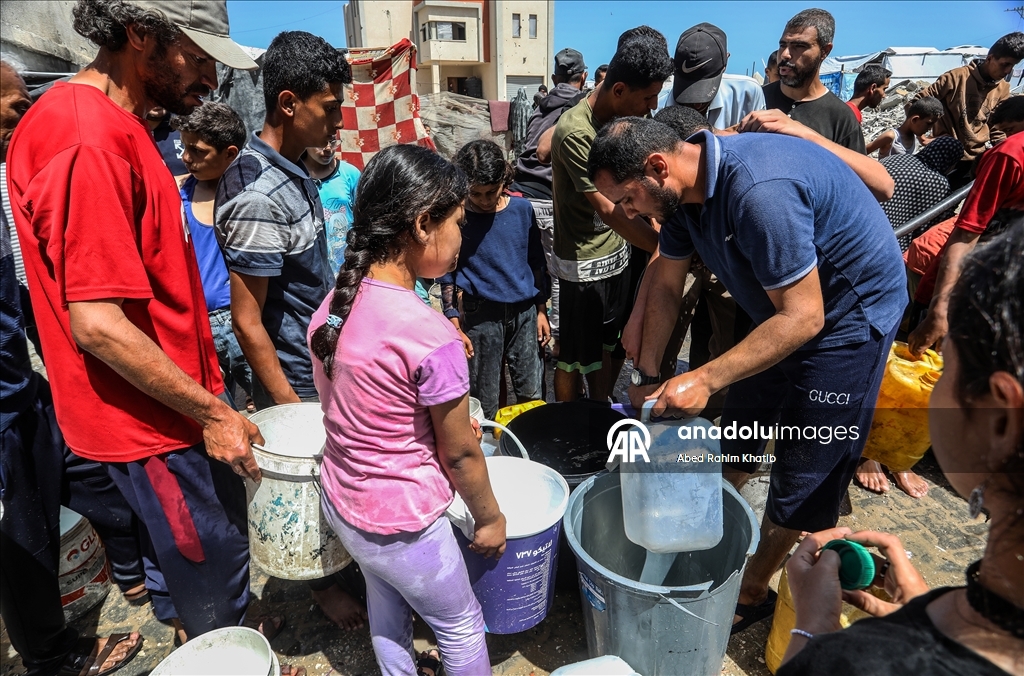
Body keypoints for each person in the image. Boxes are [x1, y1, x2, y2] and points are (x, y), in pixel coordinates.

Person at [6, 0, 269, 643]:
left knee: (180, 556)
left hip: (164, 406)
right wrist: (213, 413)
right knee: (214, 558)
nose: (210, 78)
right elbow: (95, 323)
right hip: (153, 422)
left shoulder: (116, 124)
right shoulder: (85, 140)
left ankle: (191, 626)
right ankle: (225, 649)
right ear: (139, 34)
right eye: (196, 56)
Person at [589, 116, 906, 635]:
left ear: (657, 167)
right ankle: (714, 529)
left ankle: (753, 588)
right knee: (744, 424)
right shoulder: (676, 196)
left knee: (805, 466)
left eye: (627, 200)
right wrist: (648, 373)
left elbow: (806, 317)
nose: (626, 213)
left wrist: (705, 379)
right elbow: (667, 286)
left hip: (848, 318)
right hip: (778, 311)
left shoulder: (759, 192)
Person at [778, 218, 1024, 676]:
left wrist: (813, 633)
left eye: (945, 365)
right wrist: (928, 613)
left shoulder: (858, 665)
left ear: (1000, 419)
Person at [307, 144, 506, 676]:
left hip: (345, 504)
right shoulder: (429, 334)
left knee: (386, 602)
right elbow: (462, 454)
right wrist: (490, 520)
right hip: (405, 526)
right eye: (459, 223)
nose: (463, 237)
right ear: (423, 224)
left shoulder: (333, 307)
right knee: (461, 624)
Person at [214, 30, 366, 630]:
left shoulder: (292, 170)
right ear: (287, 103)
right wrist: (288, 406)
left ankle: (334, 560)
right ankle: (318, 586)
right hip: (294, 367)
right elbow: (249, 320)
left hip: (318, 350)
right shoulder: (256, 192)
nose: (338, 121)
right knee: (309, 472)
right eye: (329, 107)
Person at [1, 58, 146, 676]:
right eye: (12, 103)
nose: (21, 112)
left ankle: (125, 572)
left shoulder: (11, 173)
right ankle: (52, 658)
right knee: (21, 536)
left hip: (21, 382)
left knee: (72, 477)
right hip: (5, 399)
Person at [549, 31, 671, 402]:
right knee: (572, 359)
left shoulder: (619, 123)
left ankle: (599, 414)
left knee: (605, 347)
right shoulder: (576, 132)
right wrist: (667, 249)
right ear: (619, 90)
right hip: (584, 264)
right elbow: (609, 207)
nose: (651, 108)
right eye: (647, 98)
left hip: (616, 256)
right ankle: (568, 423)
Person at [440, 139, 549, 420]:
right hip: (481, 314)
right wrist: (453, 318)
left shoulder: (522, 210)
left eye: (491, 192)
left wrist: (540, 310)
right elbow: (448, 271)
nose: (485, 200)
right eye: (476, 194)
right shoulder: (458, 217)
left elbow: (536, 262)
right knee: (484, 394)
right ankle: (488, 453)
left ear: (504, 179)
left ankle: (531, 446)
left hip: (525, 312)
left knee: (531, 388)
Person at [908, 96, 1024, 357]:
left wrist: (939, 308)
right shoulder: (1008, 154)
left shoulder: (1009, 154)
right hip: (973, 287)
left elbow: (966, 234)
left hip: (968, 289)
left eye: (1008, 130)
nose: (1004, 139)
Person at [171, 102, 254, 409]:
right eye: (185, 147)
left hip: (239, 320)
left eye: (198, 151)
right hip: (197, 325)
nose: (186, 158)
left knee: (268, 405)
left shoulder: (248, 196)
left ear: (230, 154)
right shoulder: (179, 193)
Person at [512, 47, 589, 355]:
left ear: (555, 77)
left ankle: (526, 332)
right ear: (583, 77)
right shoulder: (582, 107)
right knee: (557, 273)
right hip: (547, 198)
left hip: (519, 196)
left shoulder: (539, 107)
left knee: (529, 269)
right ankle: (553, 338)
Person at [914, 31, 1024, 187]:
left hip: (973, 161)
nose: (1007, 71)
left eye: (1012, 66)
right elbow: (917, 103)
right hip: (945, 154)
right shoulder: (956, 78)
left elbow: (997, 126)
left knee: (952, 207)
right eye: (1005, 64)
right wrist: (922, 136)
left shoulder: (1003, 89)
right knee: (930, 202)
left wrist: (1005, 151)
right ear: (990, 58)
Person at [763, 8, 865, 152]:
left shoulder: (841, 119)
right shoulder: (756, 100)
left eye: (799, 46)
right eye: (783, 45)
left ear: (825, 51)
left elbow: (857, 172)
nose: (785, 54)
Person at [664, 23, 766, 129]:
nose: (697, 105)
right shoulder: (659, 103)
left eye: (703, 90)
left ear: (724, 65)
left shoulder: (747, 95)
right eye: (687, 89)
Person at [878, 136, 963, 251]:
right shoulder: (938, 183)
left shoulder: (899, 158)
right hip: (889, 239)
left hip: (870, 220)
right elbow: (934, 225)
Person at [303, 138, 361, 276]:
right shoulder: (295, 176)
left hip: (346, 269)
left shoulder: (350, 174)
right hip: (311, 271)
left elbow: (363, 220)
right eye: (321, 141)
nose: (328, 148)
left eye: (333, 141)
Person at [868, 96, 944, 158]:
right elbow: (863, 152)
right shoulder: (891, 137)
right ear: (915, 119)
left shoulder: (916, 137)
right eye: (928, 123)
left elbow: (924, 141)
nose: (930, 128)